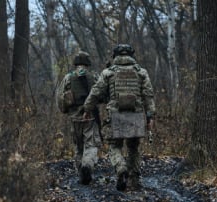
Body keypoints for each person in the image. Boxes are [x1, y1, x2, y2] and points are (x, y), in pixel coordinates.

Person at [83, 44, 155, 191]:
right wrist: (150, 116)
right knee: (133, 147)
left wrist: (87, 108)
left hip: (115, 114)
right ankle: (133, 179)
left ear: (115, 56)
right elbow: (148, 95)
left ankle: (121, 168)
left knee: (114, 146)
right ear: (132, 55)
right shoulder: (141, 72)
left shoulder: (108, 73)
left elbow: (96, 92)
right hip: (135, 113)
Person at [56, 51, 101, 184]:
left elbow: (60, 97)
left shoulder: (68, 77)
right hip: (90, 116)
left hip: (74, 117)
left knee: (78, 146)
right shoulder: (94, 76)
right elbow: (102, 93)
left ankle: (81, 171)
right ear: (88, 63)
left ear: (75, 63)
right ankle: (87, 166)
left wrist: (65, 110)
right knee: (91, 144)